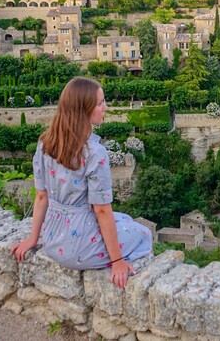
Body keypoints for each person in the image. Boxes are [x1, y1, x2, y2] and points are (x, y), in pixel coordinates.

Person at [11, 77, 152, 288]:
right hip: (80, 246)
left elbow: (41, 196)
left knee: (123, 218)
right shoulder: (95, 153)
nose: (105, 107)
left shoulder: (44, 144)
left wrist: (33, 239)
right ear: (84, 110)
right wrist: (117, 261)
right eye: (100, 103)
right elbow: (101, 210)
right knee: (143, 233)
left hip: (52, 239)